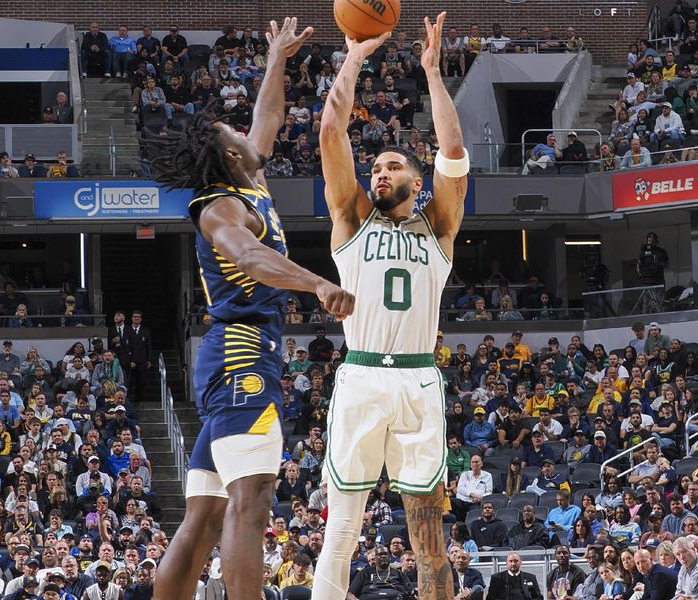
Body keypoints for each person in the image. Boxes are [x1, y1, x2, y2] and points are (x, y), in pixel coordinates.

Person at [147, 18, 354, 600]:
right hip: (241, 354)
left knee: (206, 516)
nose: (245, 133)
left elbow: (267, 118)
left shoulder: (248, 182)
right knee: (251, 500)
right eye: (232, 133)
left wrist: (276, 60)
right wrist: (317, 284)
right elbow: (252, 258)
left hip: (231, 360)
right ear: (229, 154)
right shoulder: (219, 208)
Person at [314, 13, 468, 600]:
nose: (379, 172)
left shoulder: (439, 226)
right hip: (360, 375)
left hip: (418, 379)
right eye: (374, 167)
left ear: (417, 180)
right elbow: (332, 128)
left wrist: (431, 70)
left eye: (392, 165)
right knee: (343, 529)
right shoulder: (351, 218)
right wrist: (354, 56)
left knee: (428, 536)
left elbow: (452, 149)